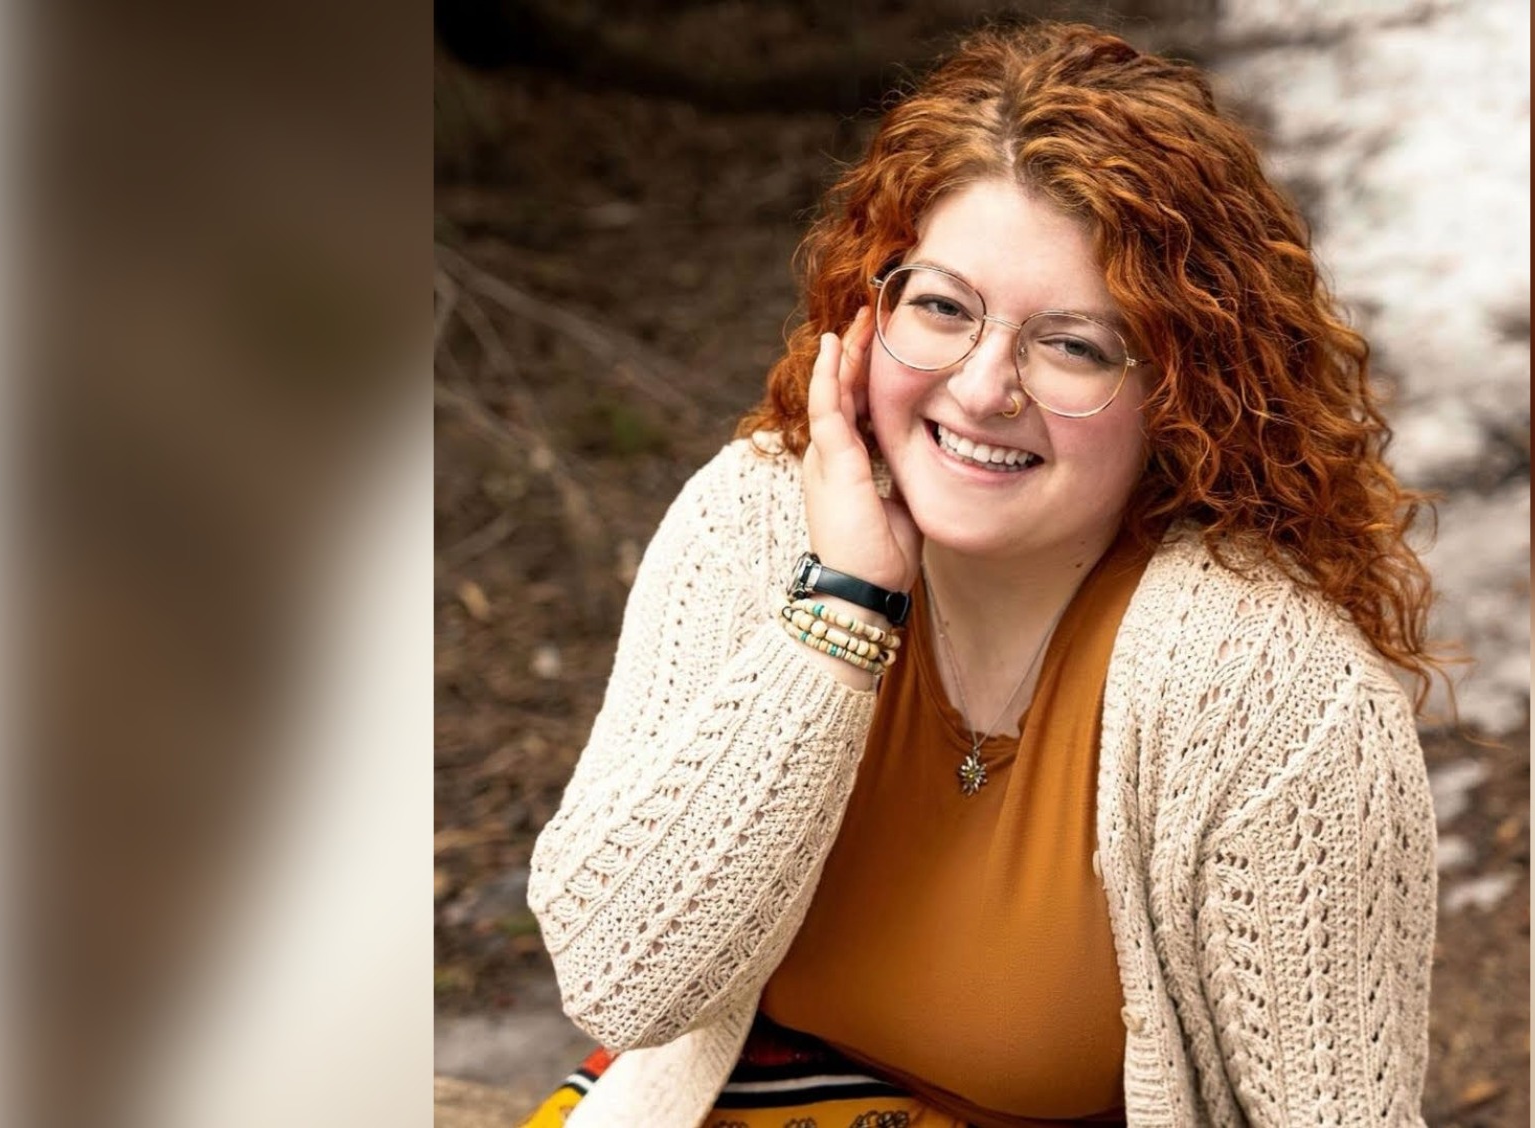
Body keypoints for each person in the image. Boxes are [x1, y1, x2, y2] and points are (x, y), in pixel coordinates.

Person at [526, 21, 1440, 1128]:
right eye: (943, 309)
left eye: (1074, 346)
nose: (979, 389)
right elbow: (621, 980)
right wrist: (840, 610)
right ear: (867, 311)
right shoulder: (754, 519)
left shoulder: (1275, 702)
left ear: (1183, 393)